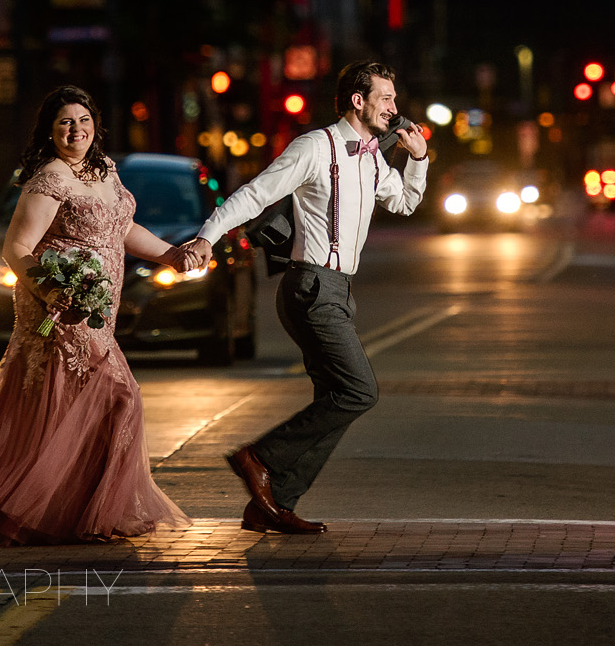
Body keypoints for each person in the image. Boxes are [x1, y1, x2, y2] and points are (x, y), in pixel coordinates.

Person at [0, 85, 192, 548]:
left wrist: (169, 254)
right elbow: (16, 249)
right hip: (61, 307)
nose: (75, 130)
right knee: (114, 396)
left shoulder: (103, 170)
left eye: (83, 121)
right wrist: (54, 290)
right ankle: (63, 512)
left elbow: (122, 229)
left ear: (95, 126)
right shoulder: (50, 178)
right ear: (50, 131)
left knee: (77, 406)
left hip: (98, 308)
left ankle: (78, 513)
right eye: (64, 122)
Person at [169, 59, 428, 534]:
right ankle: (259, 457)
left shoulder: (372, 155)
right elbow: (256, 194)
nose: (394, 109)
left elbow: (406, 202)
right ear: (358, 100)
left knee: (337, 397)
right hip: (310, 286)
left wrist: (418, 159)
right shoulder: (315, 147)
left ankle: (273, 504)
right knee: (359, 391)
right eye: (385, 98)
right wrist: (208, 236)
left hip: (337, 290)